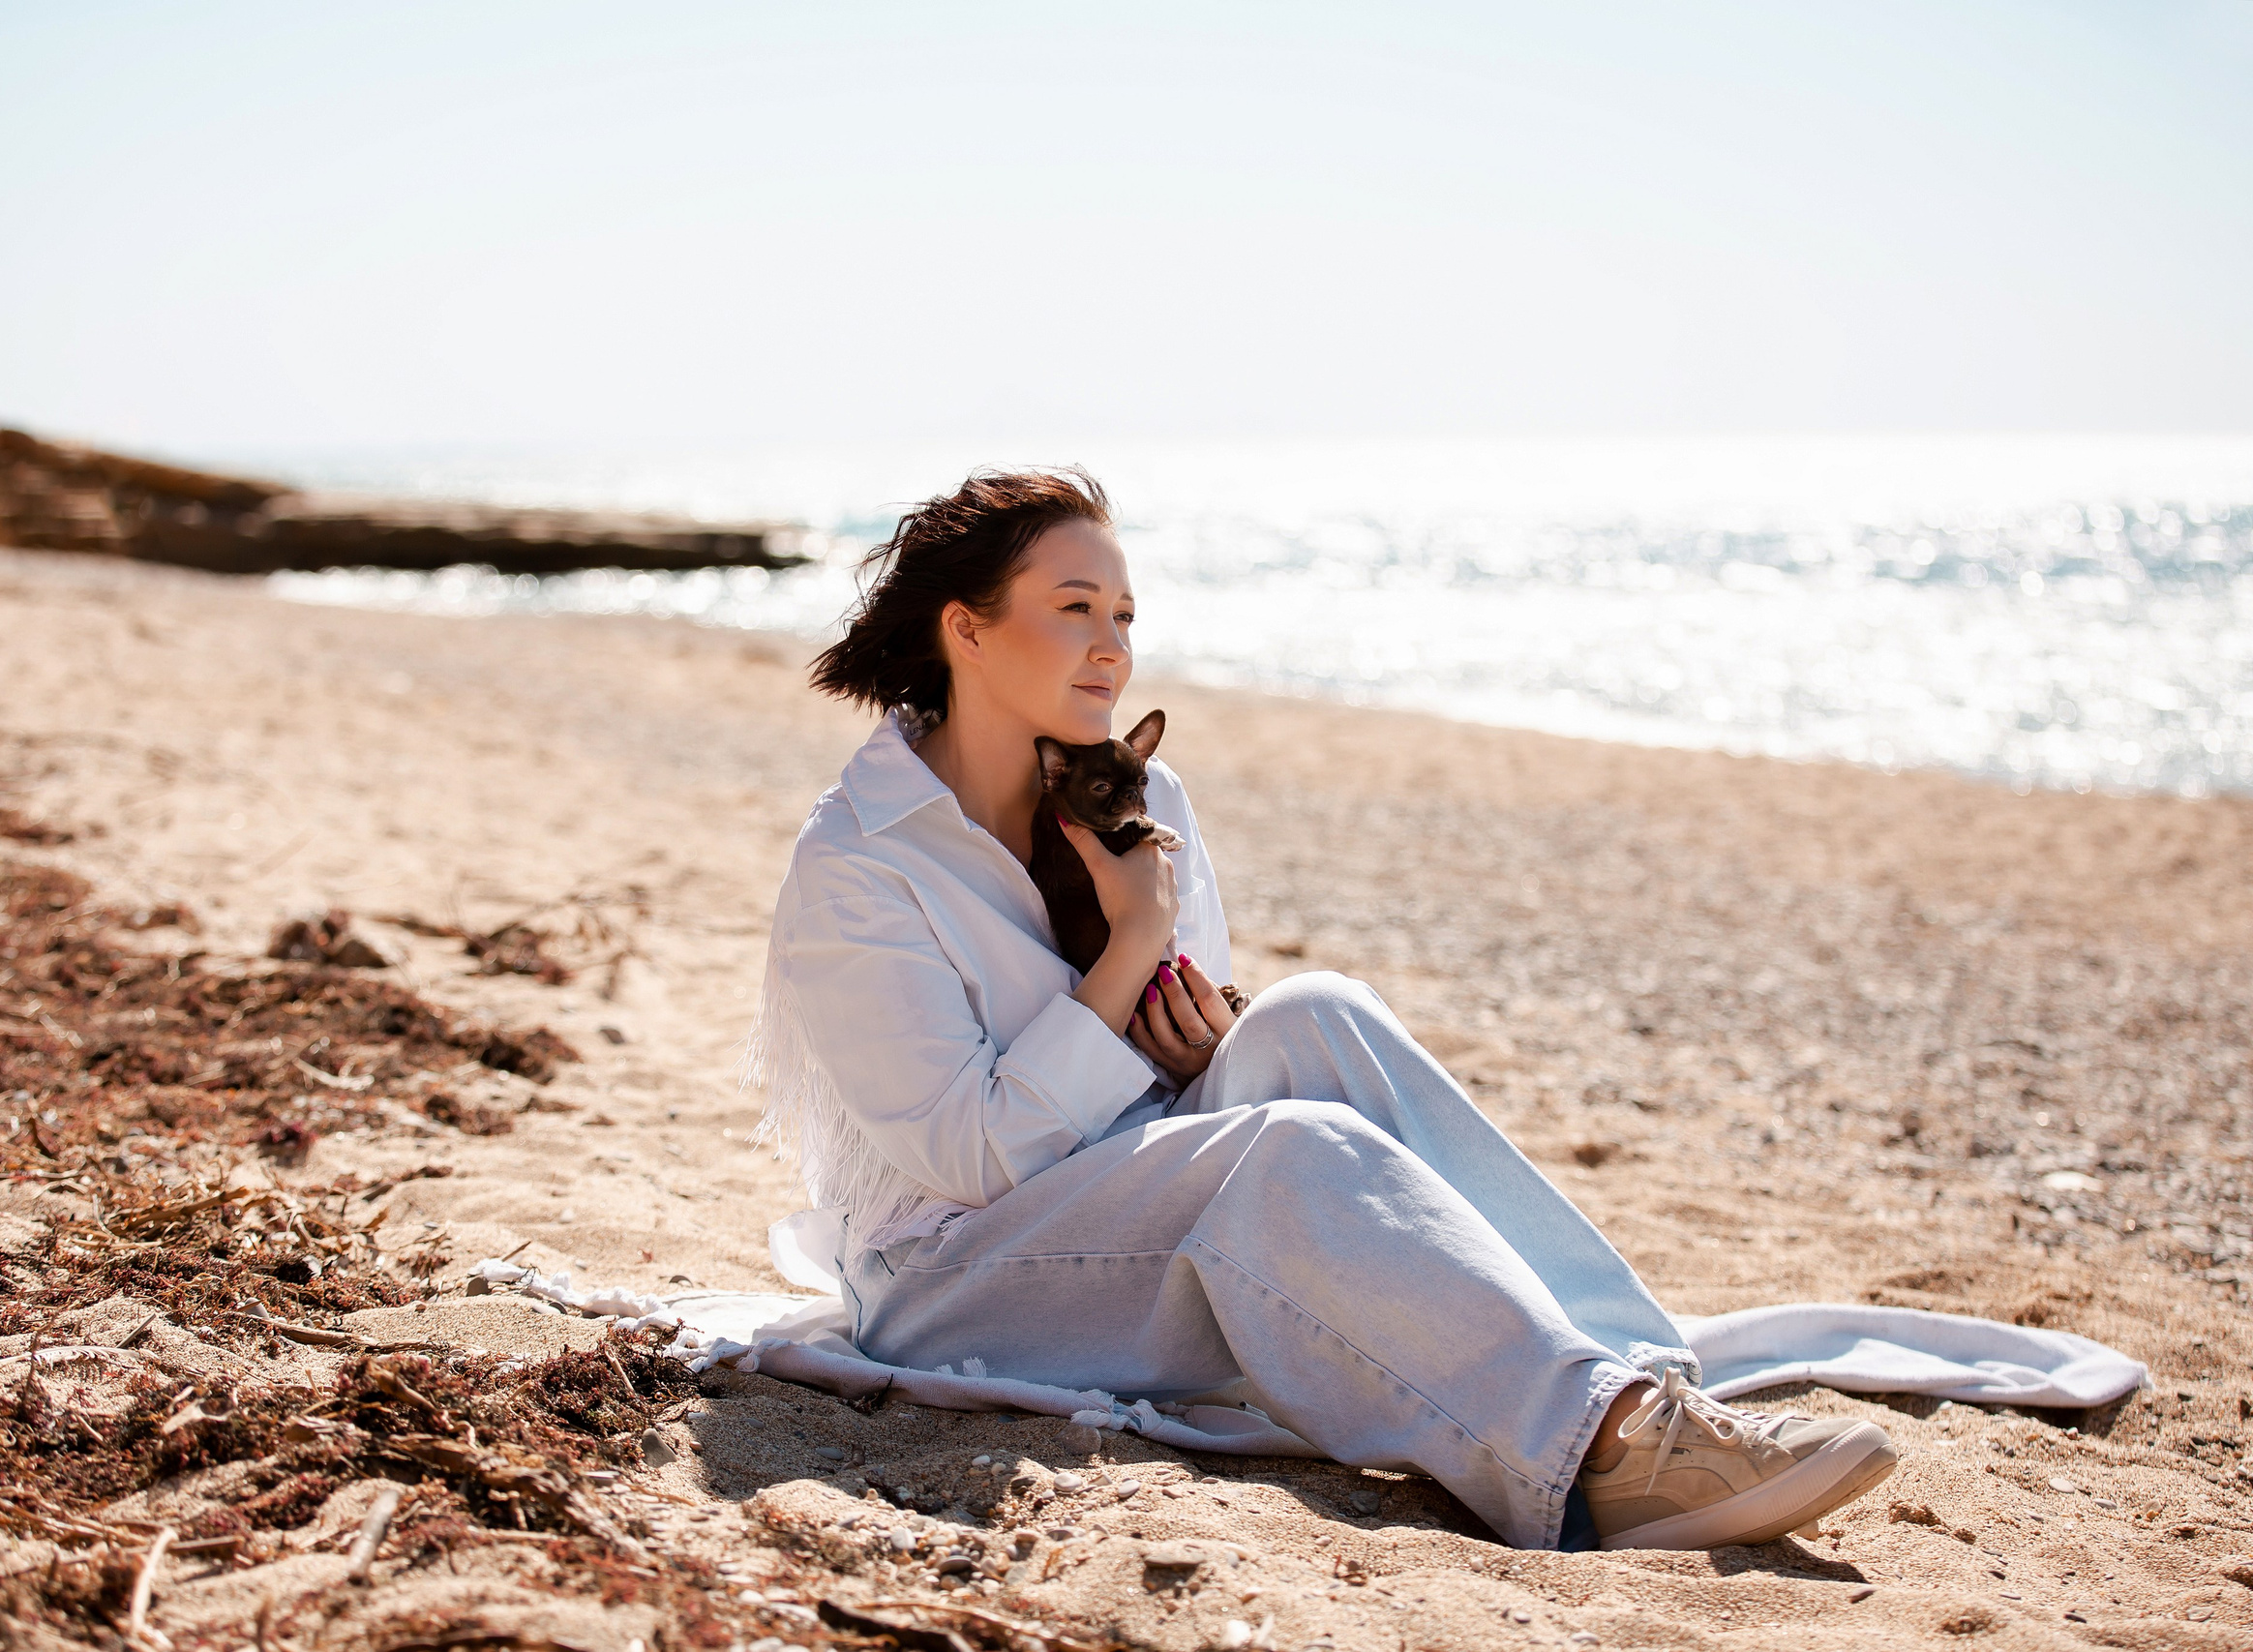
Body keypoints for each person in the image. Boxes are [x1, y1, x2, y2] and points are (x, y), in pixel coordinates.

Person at [748, 469, 1897, 1550]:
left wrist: (1196, 1048)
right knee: (1285, 1149)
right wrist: (1132, 947)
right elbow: (968, 1157)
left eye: (1126, 616)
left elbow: (1179, 1060)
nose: (1113, 647)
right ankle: (1594, 1451)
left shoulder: (1144, 796)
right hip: (953, 1280)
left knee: (1315, 1013)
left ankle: (1639, 1375)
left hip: (1123, 1191)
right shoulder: (861, 860)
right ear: (966, 629)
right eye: (1075, 608)